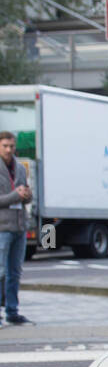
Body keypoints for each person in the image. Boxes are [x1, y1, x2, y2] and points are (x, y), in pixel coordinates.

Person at [0, 130, 33, 326]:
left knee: (15, 271)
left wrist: (27, 195)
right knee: (0, 271)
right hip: (2, 227)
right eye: (4, 146)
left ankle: (12, 311)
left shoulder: (20, 168)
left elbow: (27, 196)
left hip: (19, 226)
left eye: (11, 146)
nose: (8, 149)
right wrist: (16, 195)